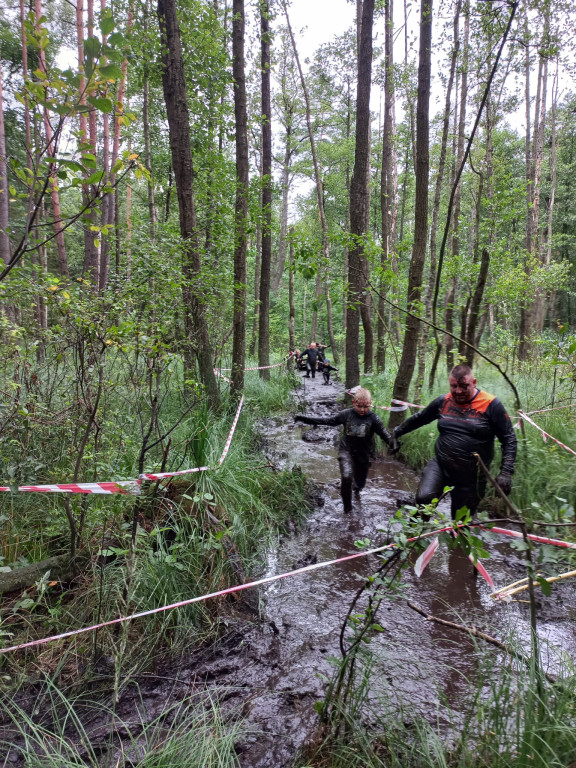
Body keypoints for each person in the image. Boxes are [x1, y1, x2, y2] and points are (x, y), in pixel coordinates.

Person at [391, 364, 517, 518]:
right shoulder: (444, 401)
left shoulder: (491, 404)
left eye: (464, 386)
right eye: (454, 386)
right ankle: (414, 539)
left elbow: (509, 438)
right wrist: (396, 433)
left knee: (460, 524)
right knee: (423, 500)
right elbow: (420, 418)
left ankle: (455, 539)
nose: (458, 391)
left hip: (472, 477)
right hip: (441, 465)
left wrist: (505, 473)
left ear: (474, 382)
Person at [295, 388, 393, 513]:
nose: (362, 410)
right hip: (346, 450)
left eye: (366, 407)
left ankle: (357, 490)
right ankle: (348, 511)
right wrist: (304, 418)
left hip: (363, 454)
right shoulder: (346, 415)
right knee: (346, 476)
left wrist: (393, 443)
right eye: (359, 406)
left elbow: (385, 435)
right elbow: (328, 421)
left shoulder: (374, 419)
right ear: (353, 403)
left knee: (359, 484)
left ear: (370, 404)